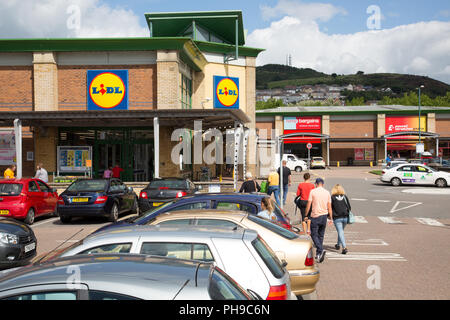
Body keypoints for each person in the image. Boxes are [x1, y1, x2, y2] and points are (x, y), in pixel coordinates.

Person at [305, 178, 332, 263]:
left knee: (313, 234)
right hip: (324, 216)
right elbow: (329, 206)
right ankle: (318, 254)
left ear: (316, 184)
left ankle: (320, 249)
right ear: (322, 184)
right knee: (321, 235)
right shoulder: (327, 192)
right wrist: (331, 217)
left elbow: (309, 204)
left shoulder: (313, 191)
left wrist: (305, 214)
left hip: (315, 216)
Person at [331, 184, 351, 255]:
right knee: (341, 231)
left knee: (340, 232)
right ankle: (338, 244)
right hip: (345, 217)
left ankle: (344, 247)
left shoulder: (332, 197)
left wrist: (329, 216)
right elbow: (349, 207)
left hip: (337, 217)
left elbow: (330, 208)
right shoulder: (345, 197)